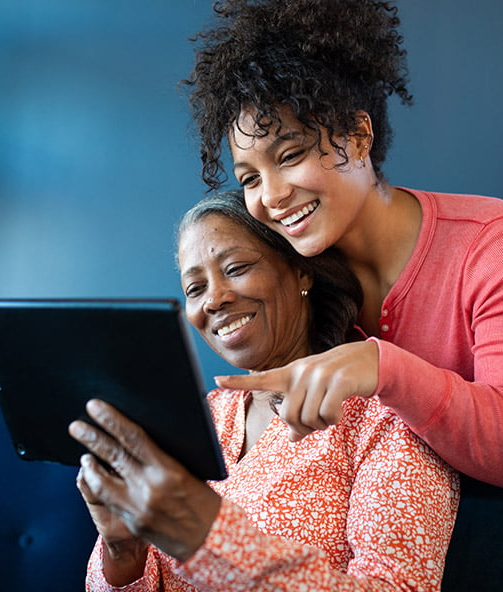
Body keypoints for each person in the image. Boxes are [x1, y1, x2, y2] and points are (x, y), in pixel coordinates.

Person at [183, 0, 503, 494]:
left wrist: (382, 367)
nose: (273, 197)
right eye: (250, 177)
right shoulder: (303, 277)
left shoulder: (497, 243)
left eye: (291, 154)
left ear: (358, 134)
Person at [69, 189, 459, 591]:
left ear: (301, 270)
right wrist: (123, 551)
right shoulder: (198, 416)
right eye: (195, 288)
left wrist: (209, 540)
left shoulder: (387, 415)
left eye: (236, 267)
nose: (214, 300)